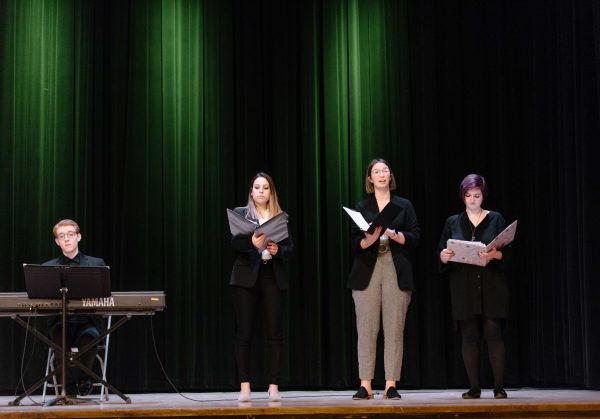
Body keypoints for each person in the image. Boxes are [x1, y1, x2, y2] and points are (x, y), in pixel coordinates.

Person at [347, 158, 420, 400]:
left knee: (394, 328)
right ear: (369, 178)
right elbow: (355, 243)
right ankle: (365, 384)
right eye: (376, 171)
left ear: (390, 176)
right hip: (368, 267)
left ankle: (390, 383)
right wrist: (370, 237)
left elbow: (415, 236)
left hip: (394, 266)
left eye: (385, 171)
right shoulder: (362, 206)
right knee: (366, 329)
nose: (381, 175)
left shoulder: (403, 204)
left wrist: (391, 233)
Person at [438, 174, 509, 399]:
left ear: (483, 195)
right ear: (463, 196)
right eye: (468, 196)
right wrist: (444, 256)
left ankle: (498, 387)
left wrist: (495, 254)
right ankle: (474, 387)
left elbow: (509, 252)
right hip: (463, 285)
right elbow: (441, 251)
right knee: (468, 335)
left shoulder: (496, 218)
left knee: (493, 332)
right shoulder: (452, 221)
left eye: (476, 196)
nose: (472, 200)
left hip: (491, 284)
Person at [229, 173, 294, 402]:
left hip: (272, 276)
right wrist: (251, 243)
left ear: (271, 192)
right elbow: (235, 242)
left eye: (265, 188)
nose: (261, 191)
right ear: (251, 191)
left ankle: (273, 386)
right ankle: (244, 386)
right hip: (246, 276)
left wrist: (279, 251)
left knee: (275, 333)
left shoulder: (280, 216)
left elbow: (289, 248)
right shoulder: (241, 213)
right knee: (244, 332)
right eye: (257, 187)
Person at [44, 219, 106, 397]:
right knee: (59, 338)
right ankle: (68, 387)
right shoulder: (48, 267)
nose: (67, 239)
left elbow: (104, 295)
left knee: (90, 338)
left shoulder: (96, 264)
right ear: (57, 241)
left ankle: (84, 378)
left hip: (88, 321)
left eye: (70, 234)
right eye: (61, 236)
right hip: (61, 321)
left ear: (78, 237)